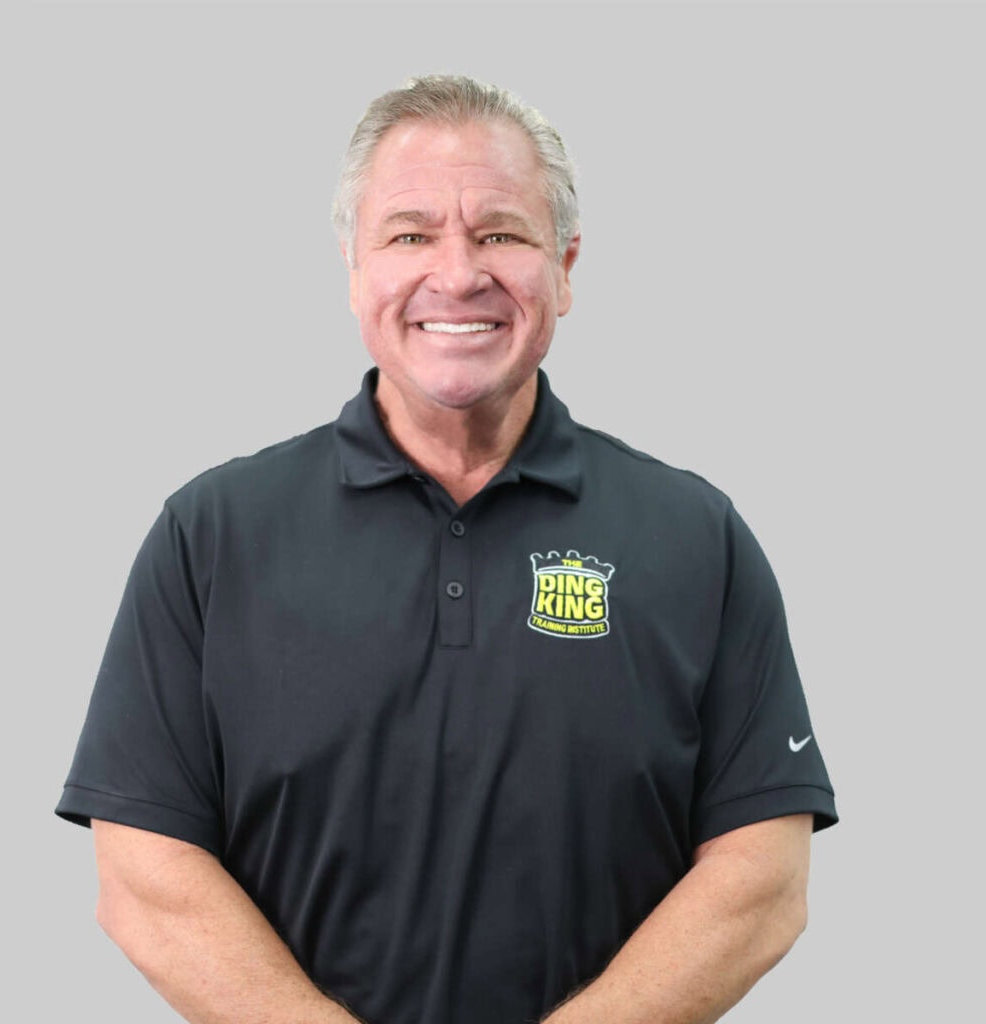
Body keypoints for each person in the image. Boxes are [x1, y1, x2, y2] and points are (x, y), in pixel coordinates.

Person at [57, 74, 837, 1024]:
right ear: (355, 266)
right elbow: (143, 870)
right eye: (411, 234)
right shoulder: (211, 535)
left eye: (502, 233)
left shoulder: (696, 537)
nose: (458, 274)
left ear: (566, 266)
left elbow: (763, 877)